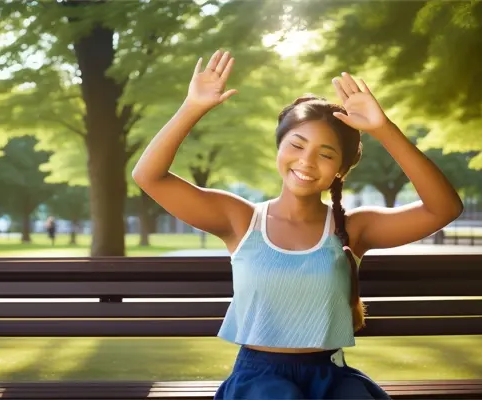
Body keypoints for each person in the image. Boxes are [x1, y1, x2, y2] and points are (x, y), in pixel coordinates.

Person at [132, 50, 463, 399]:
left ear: (340, 169)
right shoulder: (240, 220)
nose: (306, 161)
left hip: (333, 379)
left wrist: (384, 129)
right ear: (279, 147)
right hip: (261, 382)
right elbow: (149, 176)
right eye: (297, 144)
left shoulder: (353, 227)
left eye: (326, 154)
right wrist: (193, 106)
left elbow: (444, 208)